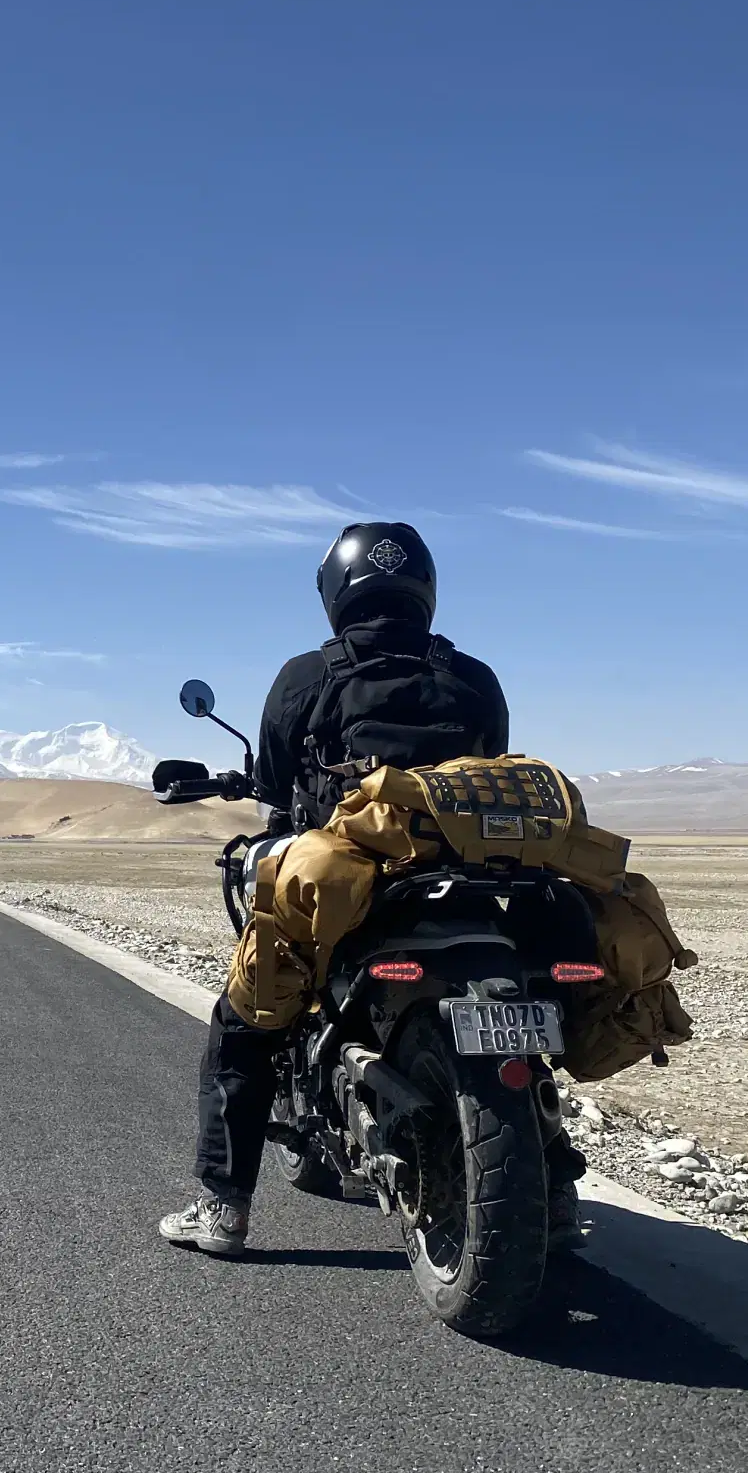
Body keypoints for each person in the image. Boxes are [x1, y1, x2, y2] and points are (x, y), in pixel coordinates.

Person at [159, 522, 511, 1256]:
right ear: (425, 589)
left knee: (246, 1019)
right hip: (477, 885)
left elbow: (276, 786)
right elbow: (494, 768)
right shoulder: (475, 679)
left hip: (356, 887)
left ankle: (222, 1209)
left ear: (335, 593)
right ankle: (559, 1196)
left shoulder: (307, 677)